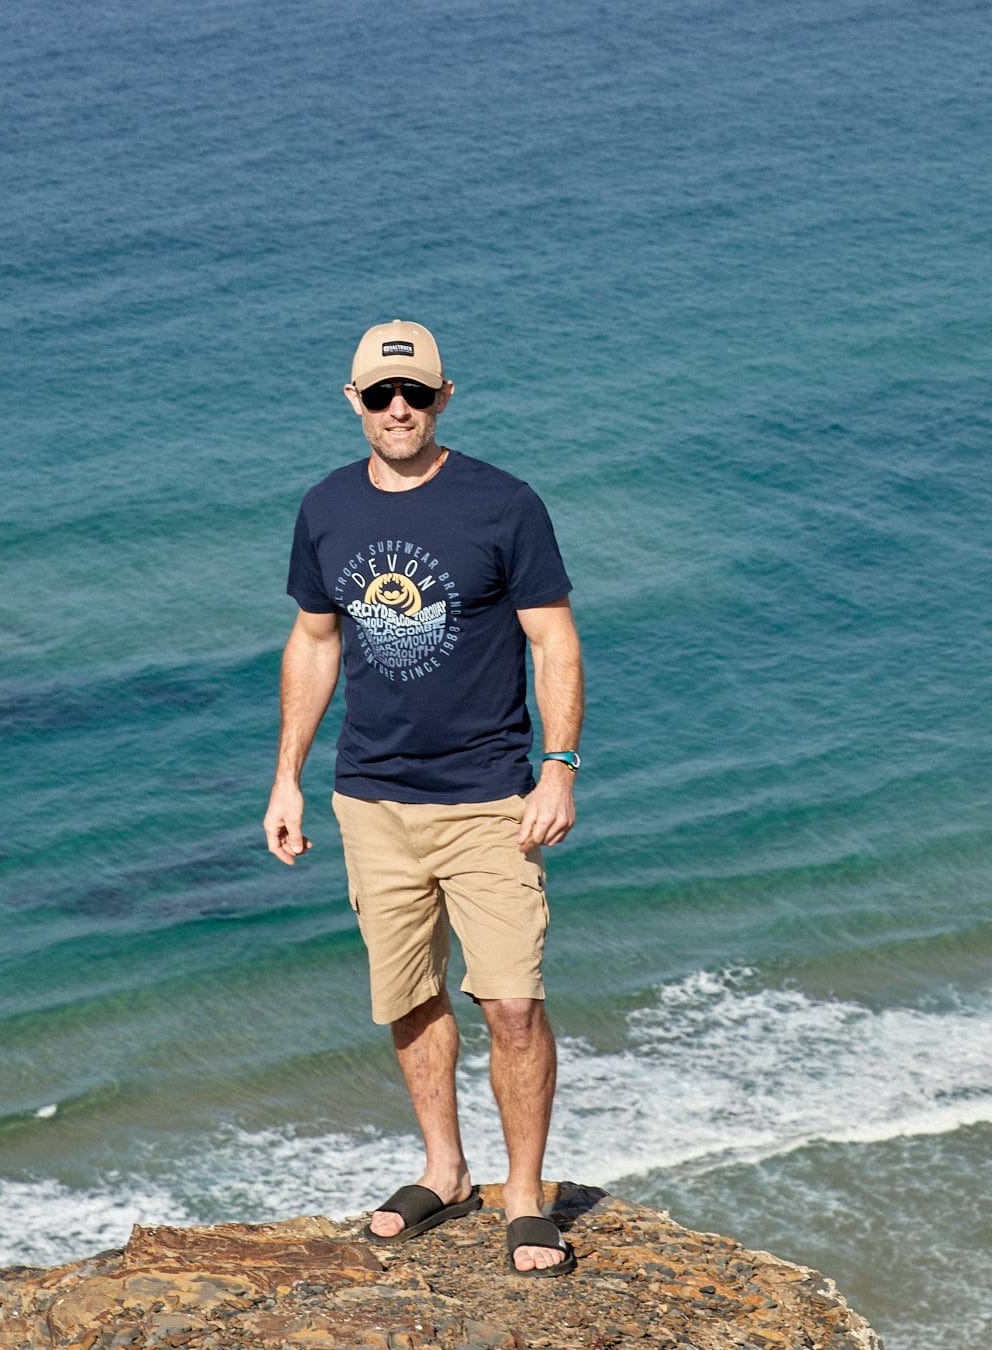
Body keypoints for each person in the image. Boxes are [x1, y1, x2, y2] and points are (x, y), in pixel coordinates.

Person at [263, 319, 584, 1277]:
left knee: (513, 1002)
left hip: (489, 795)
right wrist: (286, 776)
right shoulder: (325, 508)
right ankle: (444, 1172)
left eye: (414, 394)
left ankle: (524, 1197)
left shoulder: (504, 504)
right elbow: (314, 643)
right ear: (353, 402)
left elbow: (552, 639)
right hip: (372, 800)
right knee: (408, 997)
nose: (396, 410)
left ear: (445, 397)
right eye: (377, 396)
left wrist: (560, 765)